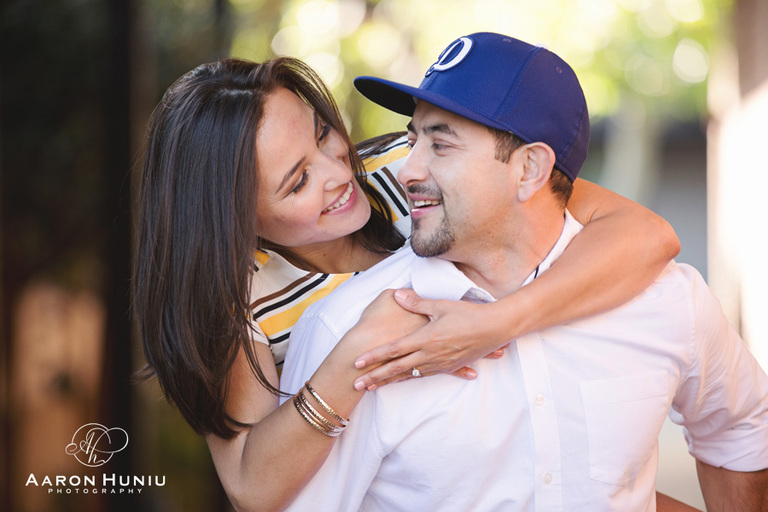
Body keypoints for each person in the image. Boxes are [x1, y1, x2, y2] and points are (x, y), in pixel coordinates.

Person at [132, 54, 682, 511]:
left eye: (324, 135)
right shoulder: (237, 301)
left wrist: (496, 323)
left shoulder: (408, 166)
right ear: (234, 216)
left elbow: (645, 235)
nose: (339, 173)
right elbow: (253, 487)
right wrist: (356, 353)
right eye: (299, 181)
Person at [280, 32, 768, 511]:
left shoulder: (666, 301)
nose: (406, 170)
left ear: (530, 170)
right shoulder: (346, 334)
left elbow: (742, 429)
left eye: (441, 145)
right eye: (412, 142)